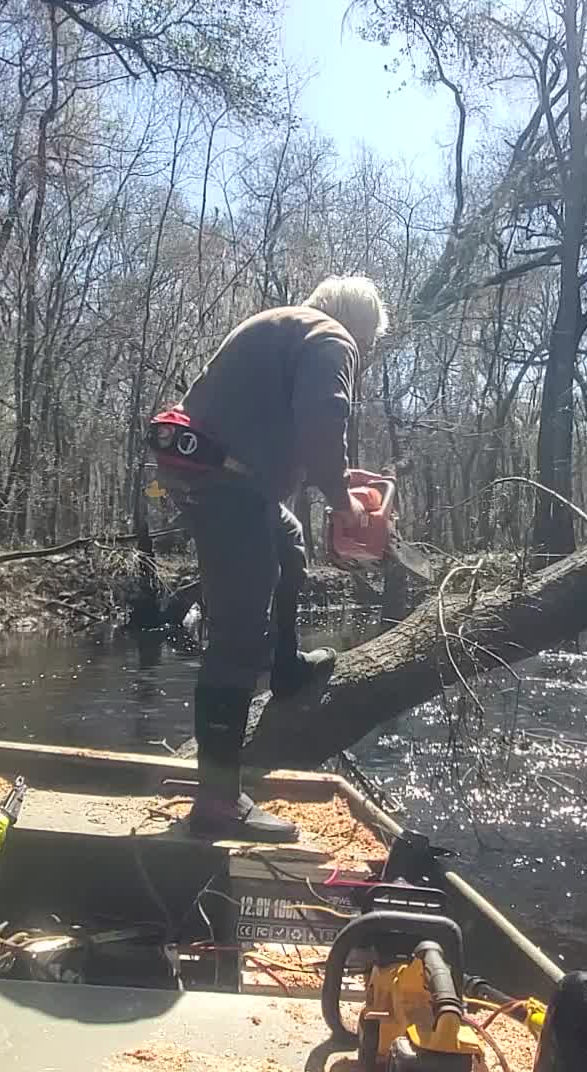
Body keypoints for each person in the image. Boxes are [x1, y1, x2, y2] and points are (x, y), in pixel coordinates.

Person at [153, 275, 388, 841]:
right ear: (361, 326)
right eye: (371, 345)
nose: (367, 355)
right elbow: (321, 423)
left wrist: (333, 478)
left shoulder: (289, 329)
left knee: (287, 542)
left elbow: (287, 433)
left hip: (220, 479)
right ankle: (217, 802)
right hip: (223, 487)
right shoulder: (333, 338)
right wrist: (340, 498)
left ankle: (285, 670)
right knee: (237, 636)